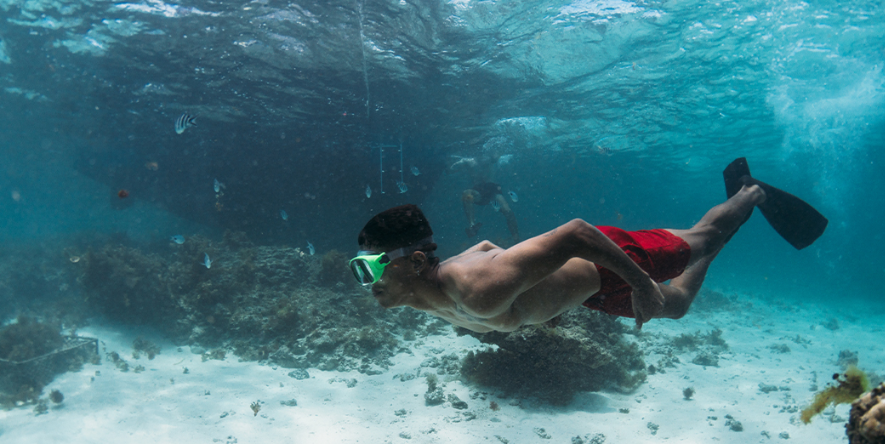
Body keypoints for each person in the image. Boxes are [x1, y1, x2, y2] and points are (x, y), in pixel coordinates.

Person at [349, 158, 828, 333]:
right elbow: (490, 244)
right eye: (359, 269)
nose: (366, 283)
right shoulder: (424, 298)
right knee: (678, 306)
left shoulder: (475, 286)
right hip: (588, 290)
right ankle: (722, 236)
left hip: (607, 256)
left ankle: (750, 190)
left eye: (369, 267)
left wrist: (640, 283)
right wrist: (540, 295)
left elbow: (577, 231)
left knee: (702, 240)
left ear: (414, 261)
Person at [450, 154, 519, 243]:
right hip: (479, 191)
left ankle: (516, 238)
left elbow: (499, 155)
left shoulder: (489, 156)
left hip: (492, 189)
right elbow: (450, 169)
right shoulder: (467, 160)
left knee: (507, 211)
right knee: (466, 193)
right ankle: (472, 225)